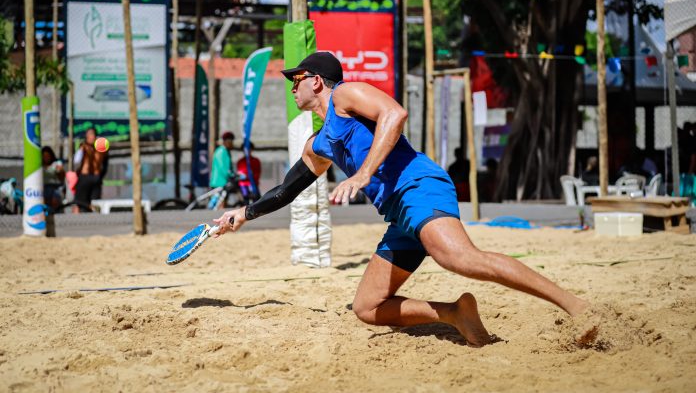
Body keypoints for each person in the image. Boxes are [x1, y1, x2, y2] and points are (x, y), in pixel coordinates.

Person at [213, 51, 589, 347]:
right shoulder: (319, 143)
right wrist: (244, 213)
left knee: (458, 257)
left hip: (419, 186)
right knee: (367, 307)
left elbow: (395, 113)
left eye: (296, 80)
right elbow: (286, 190)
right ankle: (455, 313)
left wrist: (362, 175)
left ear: (315, 80)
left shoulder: (345, 94)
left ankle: (577, 306)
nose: (292, 88)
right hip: (399, 213)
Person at [73, 128, 108, 212]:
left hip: (96, 178)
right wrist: (82, 149)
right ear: (86, 136)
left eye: (93, 134)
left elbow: (105, 164)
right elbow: (76, 160)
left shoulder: (101, 149)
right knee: (79, 202)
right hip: (84, 178)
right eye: (89, 134)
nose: (91, 136)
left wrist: (100, 176)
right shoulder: (83, 147)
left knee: (95, 203)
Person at [42, 146, 65, 210]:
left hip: (56, 187)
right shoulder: (39, 166)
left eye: (47, 156)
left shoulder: (56, 164)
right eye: (44, 156)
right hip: (44, 188)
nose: (46, 158)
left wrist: (60, 171)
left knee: (54, 200)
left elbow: (62, 177)